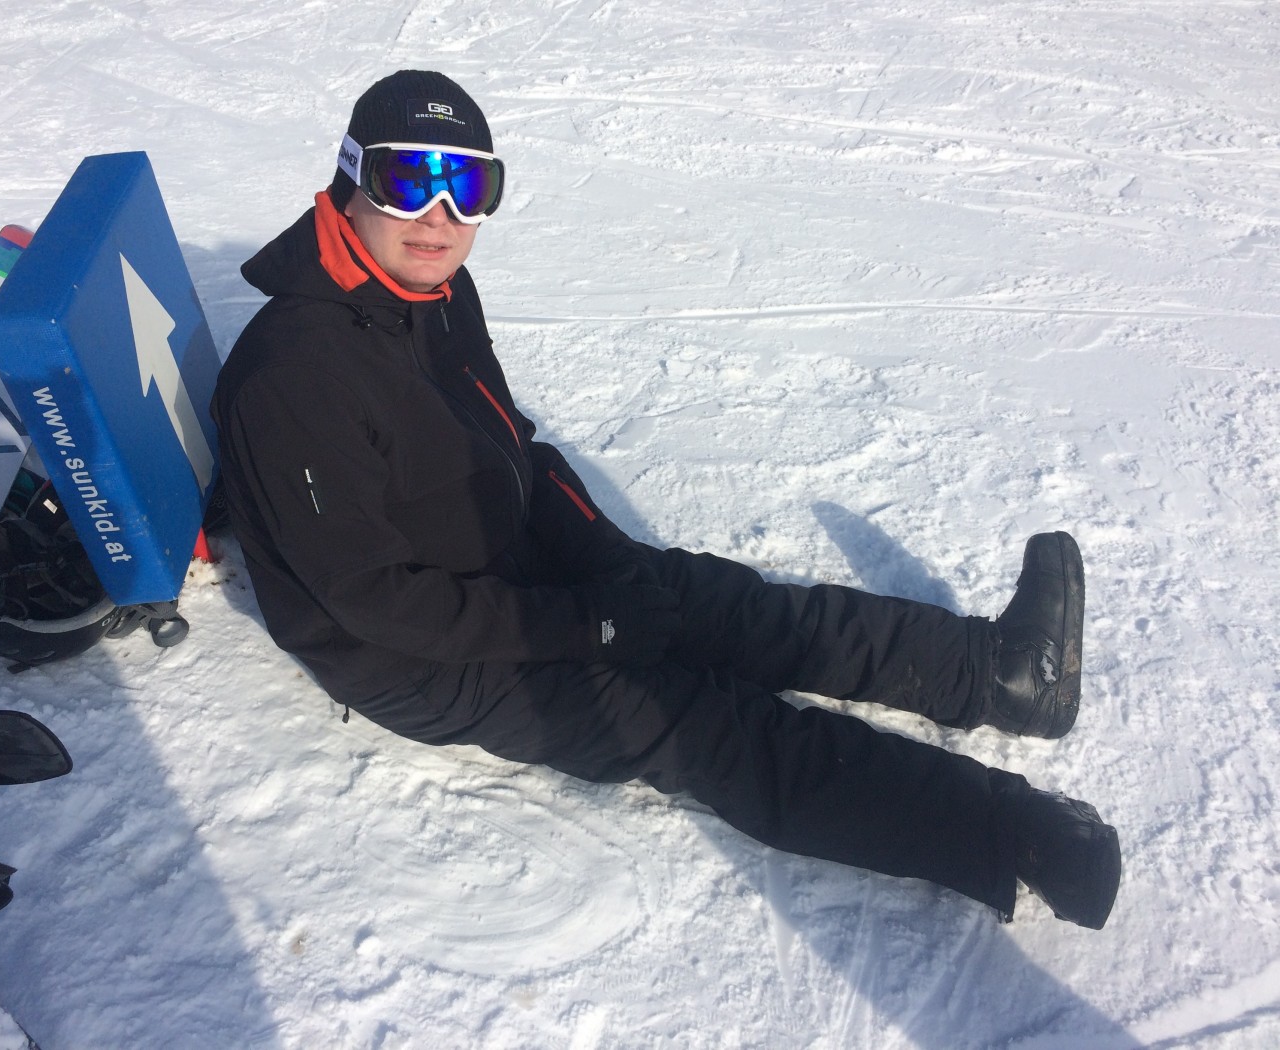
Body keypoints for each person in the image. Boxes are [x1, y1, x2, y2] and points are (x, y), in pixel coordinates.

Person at [211, 70, 1122, 930]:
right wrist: (587, 624)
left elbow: (513, 446)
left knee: (728, 604)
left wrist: (605, 560)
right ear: (352, 178)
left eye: (470, 187)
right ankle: (1009, 835)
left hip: (506, 559)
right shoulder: (292, 373)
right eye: (409, 180)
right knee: (693, 720)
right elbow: (375, 602)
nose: (440, 216)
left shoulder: (436, 293)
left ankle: (1001, 672)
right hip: (417, 654)